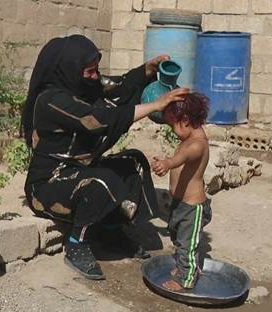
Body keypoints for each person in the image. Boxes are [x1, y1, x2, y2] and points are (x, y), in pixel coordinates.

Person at [21, 34, 189, 280]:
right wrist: (155, 106)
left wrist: (149, 70)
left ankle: (111, 231)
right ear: (70, 70)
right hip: (49, 184)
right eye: (89, 71)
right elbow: (97, 121)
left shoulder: (89, 85)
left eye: (95, 69)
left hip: (81, 171)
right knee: (102, 182)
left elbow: (121, 86)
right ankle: (76, 244)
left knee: (133, 164)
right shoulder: (51, 100)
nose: (95, 76)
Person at [151, 92, 213, 291]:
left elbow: (184, 156)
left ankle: (186, 279)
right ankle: (185, 266)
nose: (172, 129)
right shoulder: (188, 137)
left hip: (192, 208)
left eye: (172, 125)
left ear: (185, 120)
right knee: (178, 239)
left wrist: (168, 163)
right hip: (180, 204)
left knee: (187, 245)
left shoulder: (198, 144)